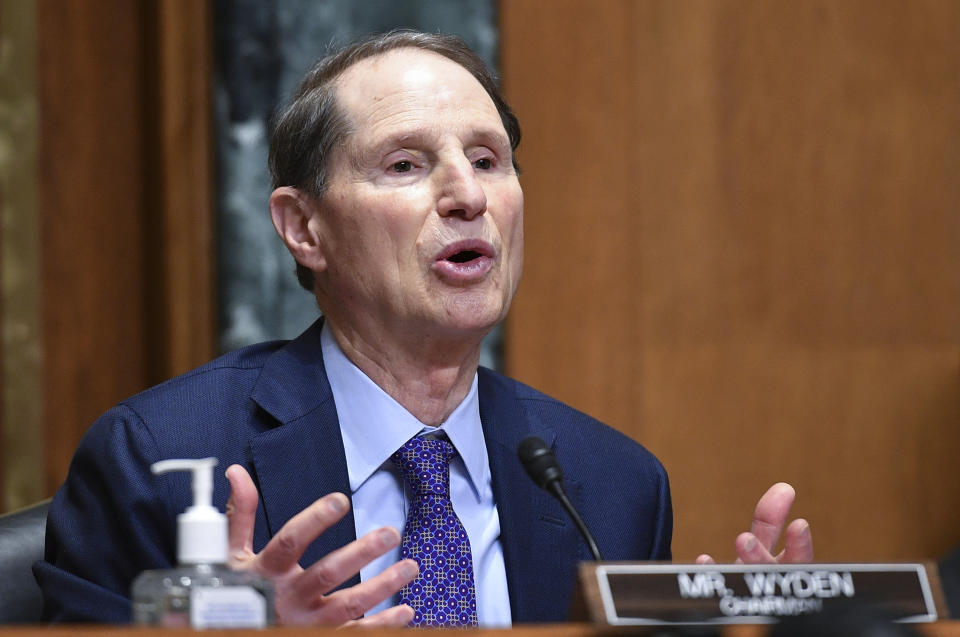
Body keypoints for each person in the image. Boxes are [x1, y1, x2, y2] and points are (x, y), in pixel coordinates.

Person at [34, 30, 812, 627]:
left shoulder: (611, 486)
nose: (466, 195)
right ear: (303, 227)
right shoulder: (160, 459)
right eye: (406, 165)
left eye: (488, 159)